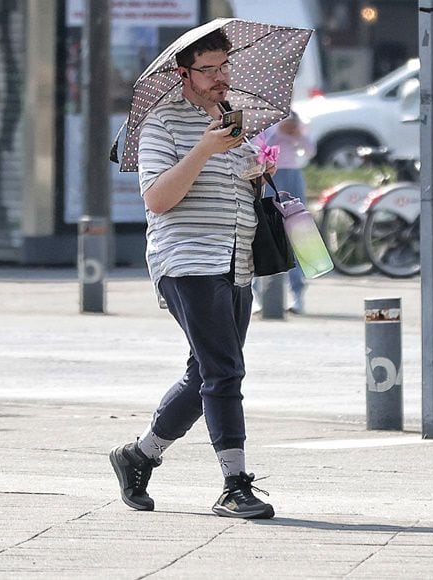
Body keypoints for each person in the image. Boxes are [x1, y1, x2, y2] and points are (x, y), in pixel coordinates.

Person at [109, 28, 275, 520]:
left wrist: (259, 171)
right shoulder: (161, 124)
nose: (222, 77)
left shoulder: (233, 122)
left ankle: (139, 455)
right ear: (184, 73)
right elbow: (157, 198)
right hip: (187, 260)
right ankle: (234, 483)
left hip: (237, 260)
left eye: (226, 66)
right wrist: (203, 150)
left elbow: (238, 194)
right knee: (225, 371)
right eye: (210, 69)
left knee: (205, 371)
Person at [252, 111, 316, 314]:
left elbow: (310, 151)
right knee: (265, 234)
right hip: (269, 177)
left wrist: (297, 134)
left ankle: (298, 293)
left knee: (299, 233)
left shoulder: (293, 118)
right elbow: (260, 150)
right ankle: (257, 293)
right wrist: (279, 132)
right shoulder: (263, 121)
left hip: (293, 175)